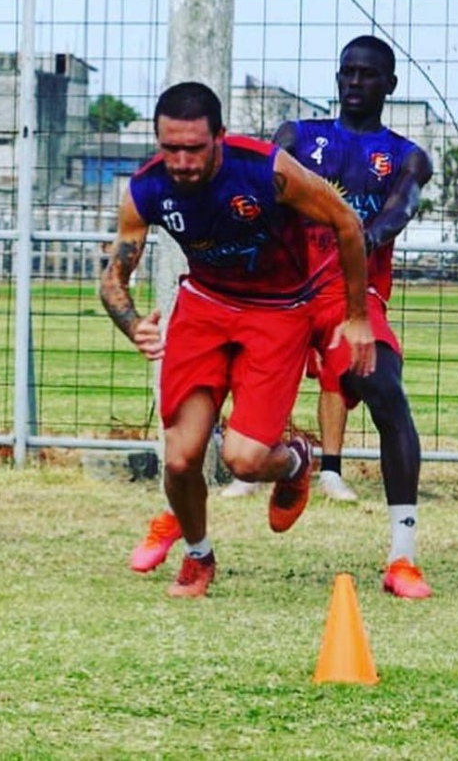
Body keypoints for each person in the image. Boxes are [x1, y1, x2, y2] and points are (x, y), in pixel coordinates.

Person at [132, 36, 436, 599]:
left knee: (381, 385)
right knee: (201, 405)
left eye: (367, 74)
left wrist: (344, 242)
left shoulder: (408, 157)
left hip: (347, 290)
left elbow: (391, 218)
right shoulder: (298, 137)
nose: (353, 82)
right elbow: (250, 197)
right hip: (276, 293)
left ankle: (403, 554)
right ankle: (181, 511)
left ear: (389, 84)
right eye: (346, 72)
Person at [102, 81, 375, 598]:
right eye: (170, 148)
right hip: (204, 309)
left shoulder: (267, 171)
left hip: (277, 314)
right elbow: (113, 278)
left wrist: (357, 316)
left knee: (245, 460)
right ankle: (198, 558)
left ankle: (296, 458)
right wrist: (132, 322)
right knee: (181, 458)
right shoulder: (146, 190)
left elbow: (346, 223)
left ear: (220, 138)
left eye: (194, 148)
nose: (180, 161)